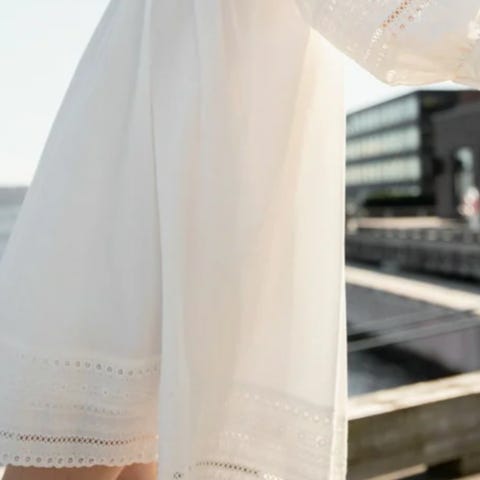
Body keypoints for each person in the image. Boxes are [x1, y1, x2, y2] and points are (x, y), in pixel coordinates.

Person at [0, 1, 479, 479]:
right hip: (189, 149)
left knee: (108, 425)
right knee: (96, 428)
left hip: (144, 136)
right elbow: (402, 23)